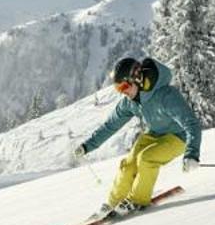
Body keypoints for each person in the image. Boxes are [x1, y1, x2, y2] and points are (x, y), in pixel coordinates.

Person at [72, 56, 203, 216]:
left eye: (125, 86)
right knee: (128, 164)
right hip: (154, 134)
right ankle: (113, 204)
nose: (124, 92)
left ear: (138, 79)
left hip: (178, 137)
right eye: (119, 89)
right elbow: (110, 126)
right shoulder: (130, 102)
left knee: (146, 158)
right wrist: (87, 146)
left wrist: (192, 153)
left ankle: (137, 201)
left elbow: (191, 123)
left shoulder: (166, 95)